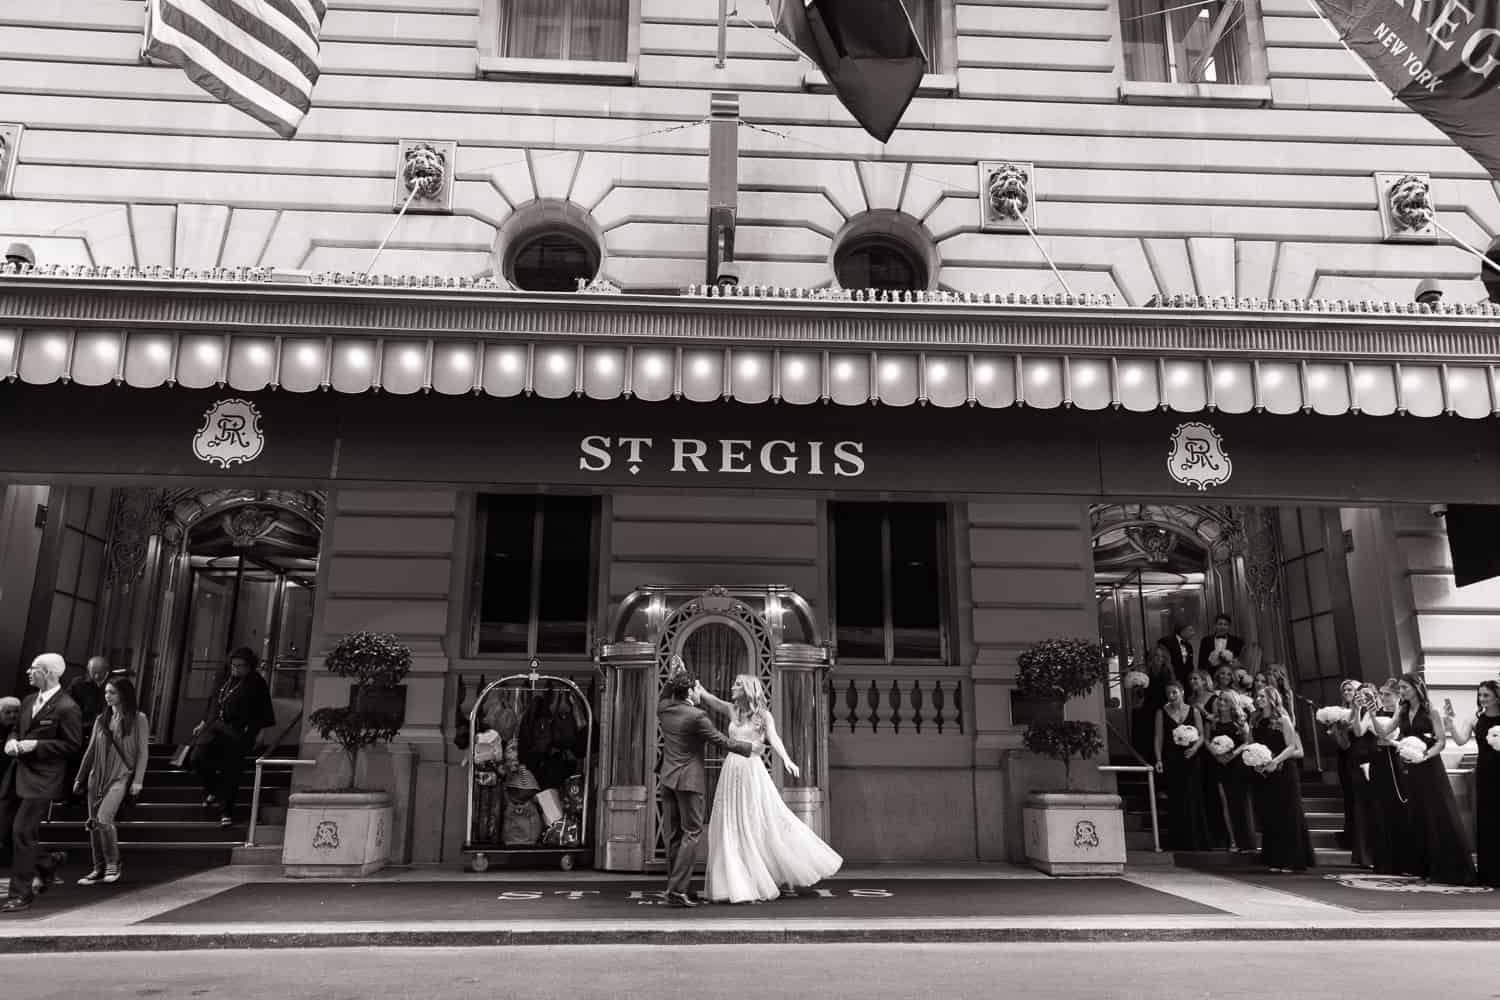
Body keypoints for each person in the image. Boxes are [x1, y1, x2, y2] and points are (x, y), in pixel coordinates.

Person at [692, 674, 843, 903]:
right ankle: (735, 880)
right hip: (731, 770)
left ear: (748, 689)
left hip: (751, 771)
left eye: (737, 684)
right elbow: (711, 700)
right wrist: (699, 689)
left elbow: (774, 739)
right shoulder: (733, 709)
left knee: (757, 820)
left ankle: (768, 872)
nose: (732, 687)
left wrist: (787, 760)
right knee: (731, 822)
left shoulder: (763, 716)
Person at [655, 657, 755, 908]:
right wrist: (748, 747)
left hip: (667, 780)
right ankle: (677, 891)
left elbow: (667, 692)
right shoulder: (696, 716)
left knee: (674, 836)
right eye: (695, 688)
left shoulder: (664, 707)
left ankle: (680, 887)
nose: (699, 691)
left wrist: (674, 676)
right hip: (689, 782)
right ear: (689, 692)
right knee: (692, 833)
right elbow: (720, 740)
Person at [0, 653, 84, 914]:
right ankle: (47, 863)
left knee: (22, 832)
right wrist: (11, 741)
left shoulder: (67, 707)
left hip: (42, 779)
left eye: (34, 668)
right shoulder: (28, 701)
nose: (28, 671)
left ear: (49, 673)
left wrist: (37, 745)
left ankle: (21, 894)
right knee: (4, 830)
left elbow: (72, 745)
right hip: (16, 774)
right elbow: (17, 729)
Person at [1389, 673, 1474, 885]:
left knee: (1438, 812)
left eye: (1405, 687)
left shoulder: (1431, 712)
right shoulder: (1403, 712)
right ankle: (1425, 866)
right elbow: (1385, 733)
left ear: (1417, 688)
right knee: (1418, 813)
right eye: (1400, 688)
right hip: (1412, 769)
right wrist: (1372, 715)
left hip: (1430, 767)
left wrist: (1424, 755)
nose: (1401, 692)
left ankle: (1449, 867)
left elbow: (1441, 742)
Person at [71, 677, 149, 886]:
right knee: (94, 823)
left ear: (124, 694)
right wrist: (79, 777)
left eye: (112, 692)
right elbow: (90, 751)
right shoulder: (101, 719)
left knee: (104, 819)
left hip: (121, 774)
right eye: (106, 692)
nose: (107, 696)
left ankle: (113, 863)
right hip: (97, 776)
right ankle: (98, 867)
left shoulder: (138, 718)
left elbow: (143, 752)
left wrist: (138, 780)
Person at [191, 647, 276, 828]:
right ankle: (214, 789)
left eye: (240, 666)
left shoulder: (256, 682)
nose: (236, 669)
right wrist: (203, 722)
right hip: (214, 727)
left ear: (249, 666)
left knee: (231, 771)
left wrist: (261, 732)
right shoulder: (223, 677)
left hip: (238, 732)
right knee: (197, 759)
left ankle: (226, 812)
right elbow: (212, 701)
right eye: (233, 665)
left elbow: (263, 709)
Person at [1249, 686, 1314, 873]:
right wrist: (1255, 761)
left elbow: (1292, 746)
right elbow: (1251, 743)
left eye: (1263, 696)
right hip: (1264, 773)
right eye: (1258, 696)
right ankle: (1275, 859)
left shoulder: (1283, 719)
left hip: (1284, 771)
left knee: (1287, 814)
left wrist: (1275, 761)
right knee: (1270, 815)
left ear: (1272, 698)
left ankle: (1292, 860)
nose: (1259, 699)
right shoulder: (1255, 720)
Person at [1444, 680, 1500, 886]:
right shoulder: (1474, 718)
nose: (1482, 699)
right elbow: (1460, 741)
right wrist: (1450, 724)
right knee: (1488, 819)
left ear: (1497, 697)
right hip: (1486, 772)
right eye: (1480, 695)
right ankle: (1489, 872)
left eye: (1486, 695)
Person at [1359, 680, 1412, 875]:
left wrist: (1395, 743)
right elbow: (1363, 732)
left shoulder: (1403, 713)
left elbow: (1391, 735)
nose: (1383, 697)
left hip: (1395, 762)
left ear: (1398, 696)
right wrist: (1364, 712)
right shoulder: (1377, 712)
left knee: (1398, 807)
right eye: (1381, 694)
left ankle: (1404, 861)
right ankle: (1383, 860)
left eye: (1387, 694)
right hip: (1378, 761)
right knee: (1379, 809)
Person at [1154, 680, 1210, 851]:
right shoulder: (1161, 712)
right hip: (1172, 759)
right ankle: (1178, 840)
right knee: (1176, 798)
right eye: (1168, 693)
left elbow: (1202, 735)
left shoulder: (1194, 711)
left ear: (1182, 692)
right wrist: (1159, 759)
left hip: (1191, 758)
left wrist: (1194, 748)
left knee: (1193, 796)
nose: (1171, 696)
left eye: (1174, 692)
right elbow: (1158, 738)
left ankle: (1197, 841)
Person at [1326, 679, 1371, 865]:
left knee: (1361, 799)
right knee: (1349, 799)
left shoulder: (1365, 711)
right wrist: (1337, 730)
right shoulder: (1339, 713)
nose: (1346, 692)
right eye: (1344, 689)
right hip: (1346, 757)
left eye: (1350, 689)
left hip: (1363, 755)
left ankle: (1364, 843)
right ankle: (1352, 838)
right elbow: (1343, 744)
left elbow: (1360, 733)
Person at [1206, 692, 1257, 854]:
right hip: (1219, 764)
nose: (1222, 702)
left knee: (1241, 802)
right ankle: (1233, 840)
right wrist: (1216, 754)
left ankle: (1248, 842)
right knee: (1225, 802)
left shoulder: (1240, 721)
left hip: (1238, 765)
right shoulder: (1212, 721)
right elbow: (1206, 740)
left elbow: (1248, 741)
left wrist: (1232, 754)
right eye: (1220, 699)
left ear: (1233, 703)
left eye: (1226, 700)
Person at [65, 656, 109, 802]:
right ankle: (72, 795)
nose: (96, 676)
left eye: (99, 673)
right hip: (81, 729)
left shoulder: (114, 684)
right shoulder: (78, 683)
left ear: (107, 671)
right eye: (93, 672)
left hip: (105, 731)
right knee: (76, 763)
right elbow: (67, 705)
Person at [1158, 624, 1198, 690]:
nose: (1193, 633)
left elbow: (1190, 665)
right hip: (1170, 679)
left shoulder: (1189, 645)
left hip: (1185, 681)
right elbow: (1162, 660)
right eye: (1190, 630)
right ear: (1182, 631)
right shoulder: (1166, 641)